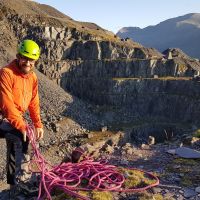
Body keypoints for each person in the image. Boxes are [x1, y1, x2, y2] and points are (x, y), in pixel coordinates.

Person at [0, 39, 44, 197]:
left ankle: (13, 186)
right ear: (18, 56)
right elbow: (6, 105)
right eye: (25, 58)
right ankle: (23, 181)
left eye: (31, 60)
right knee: (22, 136)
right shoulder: (7, 73)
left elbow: (34, 103)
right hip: (3, 117)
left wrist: (38, 124)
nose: (28, 62)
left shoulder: (32, 78)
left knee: (15, 143)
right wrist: (21, 125)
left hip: (11, 119)